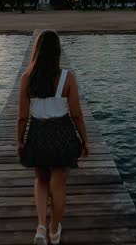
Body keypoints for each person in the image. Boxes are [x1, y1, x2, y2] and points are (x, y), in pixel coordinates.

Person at [16, 30, 90, 244]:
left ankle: (40, 226)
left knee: (40, 179)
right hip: (62, 134)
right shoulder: (67, 78)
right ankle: (54, 230)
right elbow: (76, 114)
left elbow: (22, 117)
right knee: (58, 183)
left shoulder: (27, 78)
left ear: (36, 51)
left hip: (38, 133)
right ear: (58, 51)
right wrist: (85, 140)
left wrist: (20, 141)